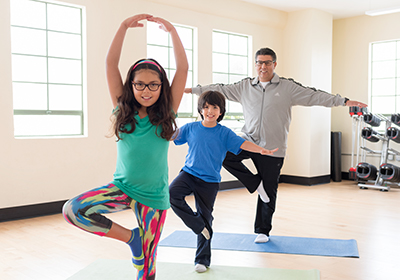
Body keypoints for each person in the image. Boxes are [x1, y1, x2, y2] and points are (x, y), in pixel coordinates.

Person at [185, 47, 367, 244]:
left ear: (274, 64)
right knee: (223, 154)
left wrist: (344, 101)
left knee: (269, 190)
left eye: (267, 63)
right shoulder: (245, 86)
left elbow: (314, 96)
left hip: (274, 147)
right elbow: (219, 89)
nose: (263, 67)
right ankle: (255, 184)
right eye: (259, 63)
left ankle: (263, 230)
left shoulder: (287, 87)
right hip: (249, 141)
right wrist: (194, 90)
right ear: (255, 65)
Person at [62, 14, 188, 280]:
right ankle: (131, 238)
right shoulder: (123, 109)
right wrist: (122, 27)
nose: (146, 90)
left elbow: (183, 69)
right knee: (73, 211)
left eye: (153, 85)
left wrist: (173, 31)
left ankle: (140, 251)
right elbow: (110, 63)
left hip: (153, 198)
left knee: (147, 267)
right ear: (131, 85)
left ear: (161, 86)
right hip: (122, 189)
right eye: (139, 84)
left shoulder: (167, 113)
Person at [169, 90, 278, 273]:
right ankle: (197, 225)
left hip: (209, 182)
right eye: (206, 107)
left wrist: (261, 150)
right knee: (172, 194)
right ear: (200, 109)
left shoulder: (224, 133)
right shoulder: (191, 128)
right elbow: (171, 136)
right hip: (188, 173)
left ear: (221, 112)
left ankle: (202, 259)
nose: (209, 111)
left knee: (206, 217)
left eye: (214, 107)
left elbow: (243, 144)